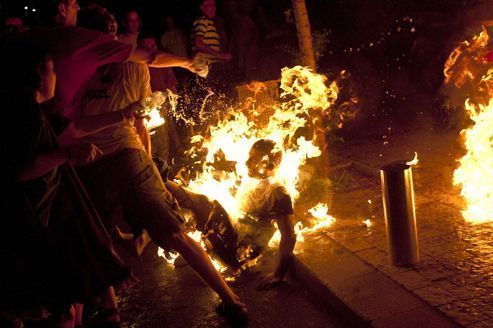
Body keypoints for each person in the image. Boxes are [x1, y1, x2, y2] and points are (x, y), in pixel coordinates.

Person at [72, 7, 248, 322]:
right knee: (175, 232)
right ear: (109, 35)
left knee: (96, 238)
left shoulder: (72, 65)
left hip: (91, 161)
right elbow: (140, 121)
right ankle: (231, 300)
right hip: (127, 154)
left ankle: (111, 312)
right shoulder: (131, 63)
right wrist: (149, 162)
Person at [0, 41, 131, 328]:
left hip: (43, 219)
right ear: (37, 73)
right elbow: (21, 170)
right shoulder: (25, 113)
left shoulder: (35, 110)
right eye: (52, 69)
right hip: (29, 225)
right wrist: (67, 153)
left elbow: (75, 128)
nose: (56, 75)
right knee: (53, 310)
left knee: (42, 309)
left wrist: (124, 114)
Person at [138, 31, 183, 162]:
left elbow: (172, 86)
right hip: (143, 108)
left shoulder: (163, 63)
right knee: (149, 143)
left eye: (154, 46)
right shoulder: (138, 67)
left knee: (164, 138)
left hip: (162, 104)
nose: (152, 50)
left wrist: (166, 96)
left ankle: (164, 166)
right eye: (147, 47)